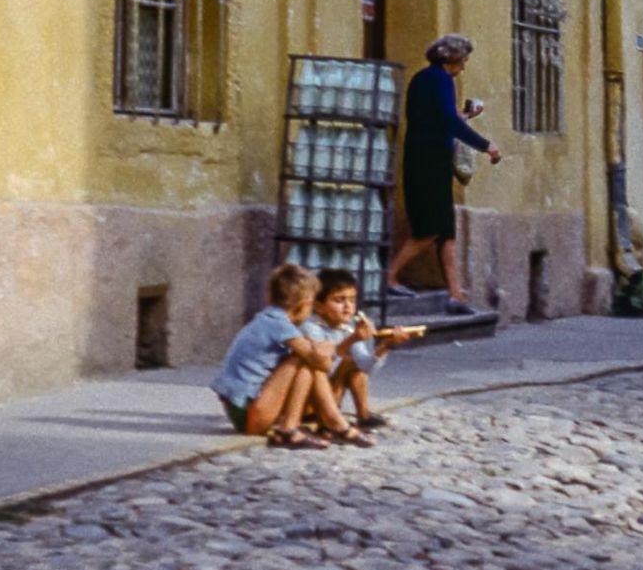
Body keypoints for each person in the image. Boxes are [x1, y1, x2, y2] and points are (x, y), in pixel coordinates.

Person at [388, 33, 499, 315]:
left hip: (426, 160)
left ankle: (455, 294)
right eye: (463, 60)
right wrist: (486, 146)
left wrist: (465, 115)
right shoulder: (441, 80)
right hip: (429, 163)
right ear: (451, 58)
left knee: (446, 231)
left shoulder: (424, 79)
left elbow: (438, 117)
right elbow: (448, 122)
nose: (464, 66)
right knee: (429, 230)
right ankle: (389, 276)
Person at [211, 264, 376, 450]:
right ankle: (324, 424)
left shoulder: (270, 318)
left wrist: (322, 348)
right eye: (312, 304)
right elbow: (320, 362)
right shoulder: (279, 325)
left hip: (245, 411)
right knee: (302, 360)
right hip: (250, 415)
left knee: (305, 362)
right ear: (303, 303)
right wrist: (330, 347)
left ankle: (319, 424)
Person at [301, 268, 419, 430]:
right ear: (319, 306)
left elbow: (366, 367)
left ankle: (363, 414)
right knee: (348, 362)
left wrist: (385, 345)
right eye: (339, 300)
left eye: (352, 300)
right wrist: (352, 340)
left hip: (332, 395)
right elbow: (321, 366)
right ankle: (329, 419)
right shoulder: (310, 328)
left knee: (355, 366)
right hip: (309, 401)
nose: (348, 306)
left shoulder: (347, 328)